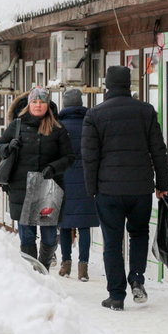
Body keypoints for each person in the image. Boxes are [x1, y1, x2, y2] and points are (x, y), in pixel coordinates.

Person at [82, 66, 168, 311]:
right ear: (128, 84)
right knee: (139, 233)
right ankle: (137, 279)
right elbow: (158, 151)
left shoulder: (95, 115)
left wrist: (92, 190)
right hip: (140, 188)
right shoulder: (146, 111)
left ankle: (116, 295)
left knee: (112, 242)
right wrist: (162, 185)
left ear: (107, 85)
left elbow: (90, 157)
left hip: (108, 191)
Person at [0, 87, 74, 271]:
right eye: (35, 102)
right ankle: (32, 273)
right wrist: (8, 147)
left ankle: (43, 266)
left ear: (48, 105)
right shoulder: (17, 125)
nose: (38, 105)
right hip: (21, 187)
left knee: (48, 237)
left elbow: (69, 158)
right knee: (27, 236)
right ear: (29, 104)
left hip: (48, 187)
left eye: (42, 102)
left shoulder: (57, 128)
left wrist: (53, 168)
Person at [56, 89, 99, 282]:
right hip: (85, 179)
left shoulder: (58, 125)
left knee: (64, 224)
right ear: (80, 103)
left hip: (63, 177)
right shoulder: (90, 123)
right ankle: (83, 267)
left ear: (65, 105)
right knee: (83, 226)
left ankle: (66, 264)